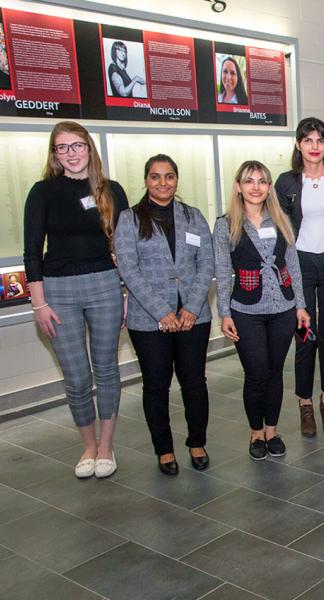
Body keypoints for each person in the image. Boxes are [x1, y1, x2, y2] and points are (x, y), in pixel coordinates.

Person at [23, 121, 129, 478]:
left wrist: (126, 293)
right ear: (54, 154)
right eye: (62, 147)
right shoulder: (42, 192)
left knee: (107, 370)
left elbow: (125, 250)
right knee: (77, 378)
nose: (71, 153)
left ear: (89, 148)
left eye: (77, 145)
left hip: (105, 287)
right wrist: (39, 304)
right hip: (58, 291)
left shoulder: (111, 190)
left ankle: (106, 447)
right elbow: (32, 252)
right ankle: (87, 446)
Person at [115, 155, 214, 475]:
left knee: (194, 383)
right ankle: (165, 450)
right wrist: (162, 312)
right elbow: (129, 270)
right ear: (146, 180)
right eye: (155, 177)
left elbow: (206, 265)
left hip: (192, 319)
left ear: (177, 180)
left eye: (169, 176)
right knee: (156, 386)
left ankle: (197, 442)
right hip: (148, 322)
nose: (163, 183)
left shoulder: (193, 216)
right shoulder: (129, 219)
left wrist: (191, 307)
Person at [214, 160, 310, 460]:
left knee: (275, 372)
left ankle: (272, 430)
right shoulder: (225, 224)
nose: (256, 187)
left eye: (262, 181)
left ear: (269, 187)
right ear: (238, 186)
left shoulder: (280, 220)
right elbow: (221, 269)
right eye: (249, 181)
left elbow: (292, 264)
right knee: (256, 373)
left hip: (283, 308)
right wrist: (224, 312)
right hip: (245, 309)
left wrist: (301, 306)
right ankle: (255, 432)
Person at [275, 118, 324, 437]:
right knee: (306, 337)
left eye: (320, 140)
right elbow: (279, 225)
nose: (315, 146)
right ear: (298, 145)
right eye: (308, 140)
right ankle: (305, 404)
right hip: (301, 264)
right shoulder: (286, 182)